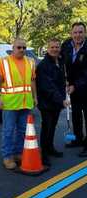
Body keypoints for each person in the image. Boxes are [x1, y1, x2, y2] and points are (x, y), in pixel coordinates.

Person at [0, 38, 37, 170]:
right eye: (19, 47)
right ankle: (7, 156)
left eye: (24, 48)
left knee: (23, 131)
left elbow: (32, 81)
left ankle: (18, 154)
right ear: (13, 48)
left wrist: (35, 97)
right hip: (10, 104)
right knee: (8, 131)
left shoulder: (31, 62)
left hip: (26, 103)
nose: (22, 50)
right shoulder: (4, 62)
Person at [36, 38, 70, 166]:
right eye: (52, 47)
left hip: (56, 102)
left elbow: (61, 80)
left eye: (57, 47)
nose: (55, 49)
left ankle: (50, 148)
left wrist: (66, 85)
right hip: (46, 103)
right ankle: (44, 154)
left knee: (53, 127)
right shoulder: (43, 66)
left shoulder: (60, 61)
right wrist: (61, 100)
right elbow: (48, 87)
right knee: (47, 127)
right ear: (48, 48)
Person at [61, 22, 87, 156]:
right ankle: (78, 138)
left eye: (80, 32)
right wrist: (64, 80)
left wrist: (74, 85)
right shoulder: (66, 45)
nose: (78, 35)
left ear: (85, 33)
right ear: (71, 33)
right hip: (73, 89)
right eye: (75, 32)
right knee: (76, 115)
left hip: (84, 87)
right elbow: (61, 63)